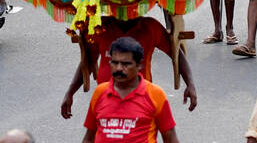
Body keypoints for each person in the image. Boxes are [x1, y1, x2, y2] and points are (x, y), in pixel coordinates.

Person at [61, 16, 197, 119]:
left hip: (141, 101)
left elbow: (176, 54)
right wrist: (70, 92)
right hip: (106, 101)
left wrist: (190, 84)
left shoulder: (150, 27)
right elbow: (88, 61)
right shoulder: (98, 27)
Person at [79, 37, 182, 143]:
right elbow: (89, 139)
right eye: (114, 62)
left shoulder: (155, 94)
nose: (119, 68)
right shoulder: (100, 92)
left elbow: (171, 142)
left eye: (126, 64)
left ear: (139, 66)